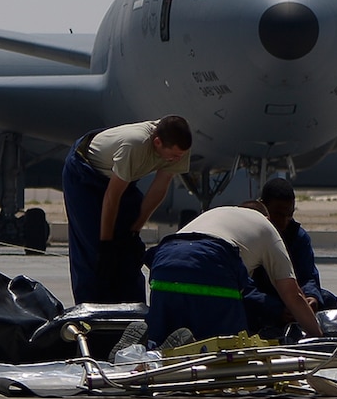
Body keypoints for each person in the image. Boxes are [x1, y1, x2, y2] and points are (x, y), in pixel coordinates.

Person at [144, 201, 322, 347]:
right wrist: (318, 337)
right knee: (229, 349)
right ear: (267, 218)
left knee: (162, 342)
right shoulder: (267, 228)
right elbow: (293, 295)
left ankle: (141, 352)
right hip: (212, 260)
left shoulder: (218, 212)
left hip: (164, 261)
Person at [62, 115, 191, 304]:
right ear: (157, 142)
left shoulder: (179, 147)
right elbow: (111, 197)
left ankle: (131, 312)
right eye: (173, 156)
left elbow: (159, 188)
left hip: (121, 177)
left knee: (129, 249)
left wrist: (134, 230)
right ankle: (92, 316)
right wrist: (105, 243)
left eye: (179, 156)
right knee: (95, 252)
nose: (176, 160)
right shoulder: (135, 145)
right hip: (85, 174)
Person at [242, 177, 337, 336]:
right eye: (278, 214)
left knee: (327, 299)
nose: (284, 221)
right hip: (261, 299)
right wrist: (275, 309)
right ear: (263, 208)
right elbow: (244, 286)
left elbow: (308, 276)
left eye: (289, 214)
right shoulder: (250, 235)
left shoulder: (298, 237)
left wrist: (311, 297)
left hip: (289, 296)